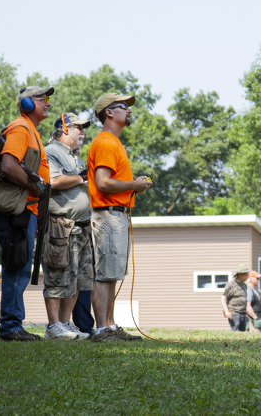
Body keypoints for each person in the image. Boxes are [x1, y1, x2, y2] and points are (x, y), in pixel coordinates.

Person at [87, 93, 153, 342]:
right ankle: (102, 330)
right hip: (108, 216)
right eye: (123, 106)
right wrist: (133, 185)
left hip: (116, 216)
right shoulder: (105, 142)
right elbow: (103, 182)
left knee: (111, 273)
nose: (129, 110)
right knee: (105, 274)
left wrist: (132, 186)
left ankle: (110, 326)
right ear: (109, 113)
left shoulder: (113, 142)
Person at [0, 85, 53, 341]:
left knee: (20, 265)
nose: (48, 103)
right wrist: (34, 188)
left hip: (25, 211)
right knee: (17, 267)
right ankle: (10, 326)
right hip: (17, 211)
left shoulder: (30, 130)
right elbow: (8, 165)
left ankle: (13, 323)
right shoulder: (21, 128)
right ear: (26, 104)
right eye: (43, 99)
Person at [40, 113, 93, 340]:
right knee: (57, 274)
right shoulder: (52, 152)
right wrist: (82, 177)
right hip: (60, 225)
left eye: (83, 128)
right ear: (63, 128)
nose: (82, 132)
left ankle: (65, 323)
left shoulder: (76, 156)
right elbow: (52, 181)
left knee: (77, 278)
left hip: (81, 227)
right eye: (78, 127)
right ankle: (53, 326)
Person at [220, 264, 250, 331]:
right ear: (240, 275)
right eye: (245, 274)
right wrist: (226, 311)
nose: (247, 276)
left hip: (243, 314)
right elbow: (223, 298)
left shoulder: (244, 285)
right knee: (235, 332)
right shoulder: (231, 285)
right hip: (234, 313)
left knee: (242, 334)